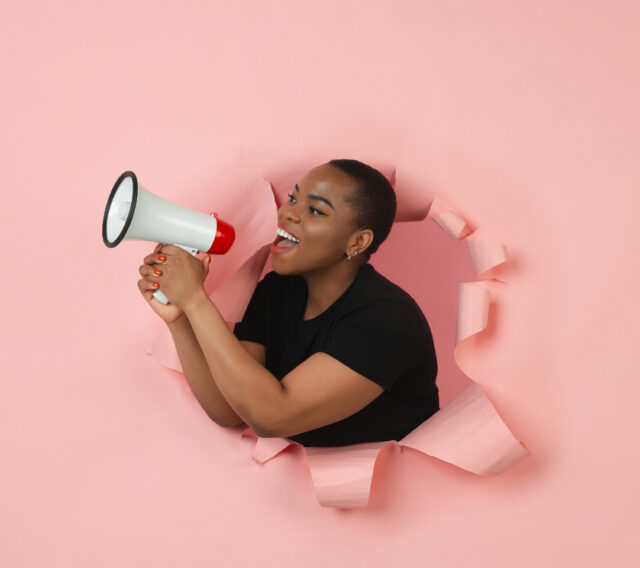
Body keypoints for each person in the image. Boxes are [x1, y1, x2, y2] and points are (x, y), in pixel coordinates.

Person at [137, 159, 439, 447]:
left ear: (357, 242)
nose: (288, 214)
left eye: (316, 211)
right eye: (293, 200)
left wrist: (195, 298)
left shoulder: (388, 320)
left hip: (401, 491)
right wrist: (179, 318)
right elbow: (229, 409)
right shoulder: (278, 292)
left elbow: (271, 416)